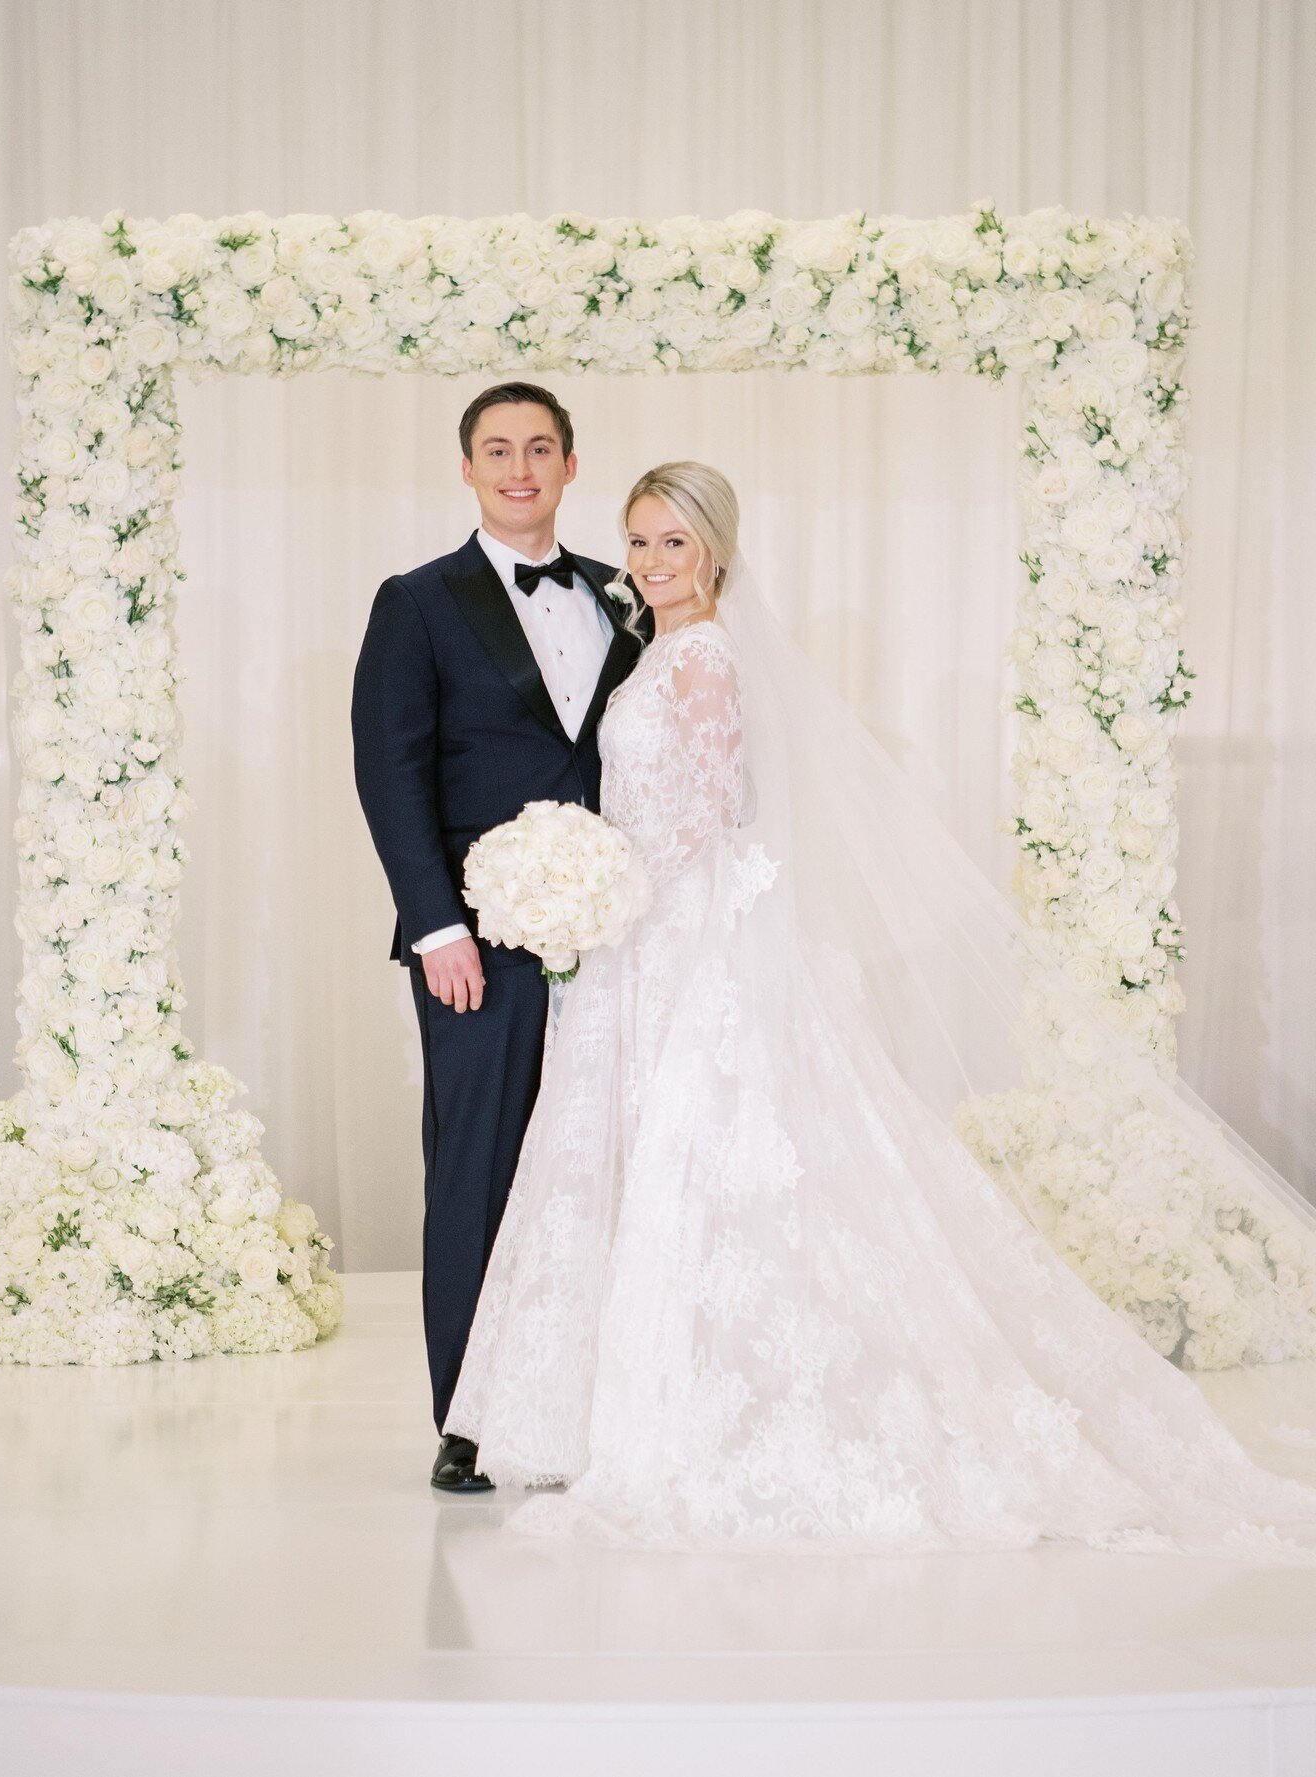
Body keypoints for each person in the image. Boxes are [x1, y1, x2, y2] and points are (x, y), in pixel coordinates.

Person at [444, 460, 1316, 1556]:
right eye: (642, 542)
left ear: (716, 548)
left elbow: (709, 812)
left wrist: (600, 882)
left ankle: (705, 1406)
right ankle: (626, 1399)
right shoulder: (659, 649)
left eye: (676, 542)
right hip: (640, 940)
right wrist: (591, 890)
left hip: (683, 933)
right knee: (649, 1158)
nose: (656, 562)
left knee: (709, 1155)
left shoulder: (704, 658)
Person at [350, 383, 644, 1492]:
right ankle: (468, 1419)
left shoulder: (627, 598)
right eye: (496, 449)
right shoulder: (417, 602)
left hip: (617, 931)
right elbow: (391, 769)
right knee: (477, 1167)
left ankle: (583, 1403)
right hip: (477, 938)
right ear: (466, 468)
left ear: (572, 464)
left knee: (595, 1167)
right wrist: (436, 927)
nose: (519, 467)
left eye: (540, 448)